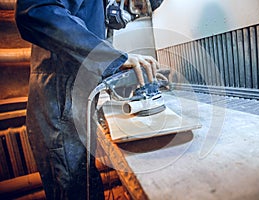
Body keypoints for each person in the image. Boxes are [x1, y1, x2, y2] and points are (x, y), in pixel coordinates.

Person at [15, 0, 159, 199]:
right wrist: (111, 59)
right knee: (73, 190)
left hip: (76, 105)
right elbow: (37, 12)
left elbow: (97, 28)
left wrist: (120, 75)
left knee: (87, 187)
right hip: (59, 104)